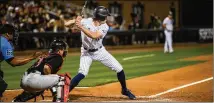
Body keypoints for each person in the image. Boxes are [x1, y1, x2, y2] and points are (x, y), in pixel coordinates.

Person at [65, 6, 136, 100]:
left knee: (119, 69)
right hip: (86, 52)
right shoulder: (86, 21)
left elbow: (94, 36)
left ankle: (124, 90)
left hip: (100, 51)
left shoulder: (105, 26)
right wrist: (76, 20)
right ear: (101, 17)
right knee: (82, 73)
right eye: (105, 16)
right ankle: (65, 93)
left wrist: (81, 27)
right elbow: (66, 24)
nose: (107, 18)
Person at [0, 24, 42, 102]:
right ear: (8, 34)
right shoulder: (4, 43)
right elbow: (13, 62)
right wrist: (31, 57)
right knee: (1, 86)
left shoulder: (1, 40)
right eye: (13, 33)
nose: (15, 35)